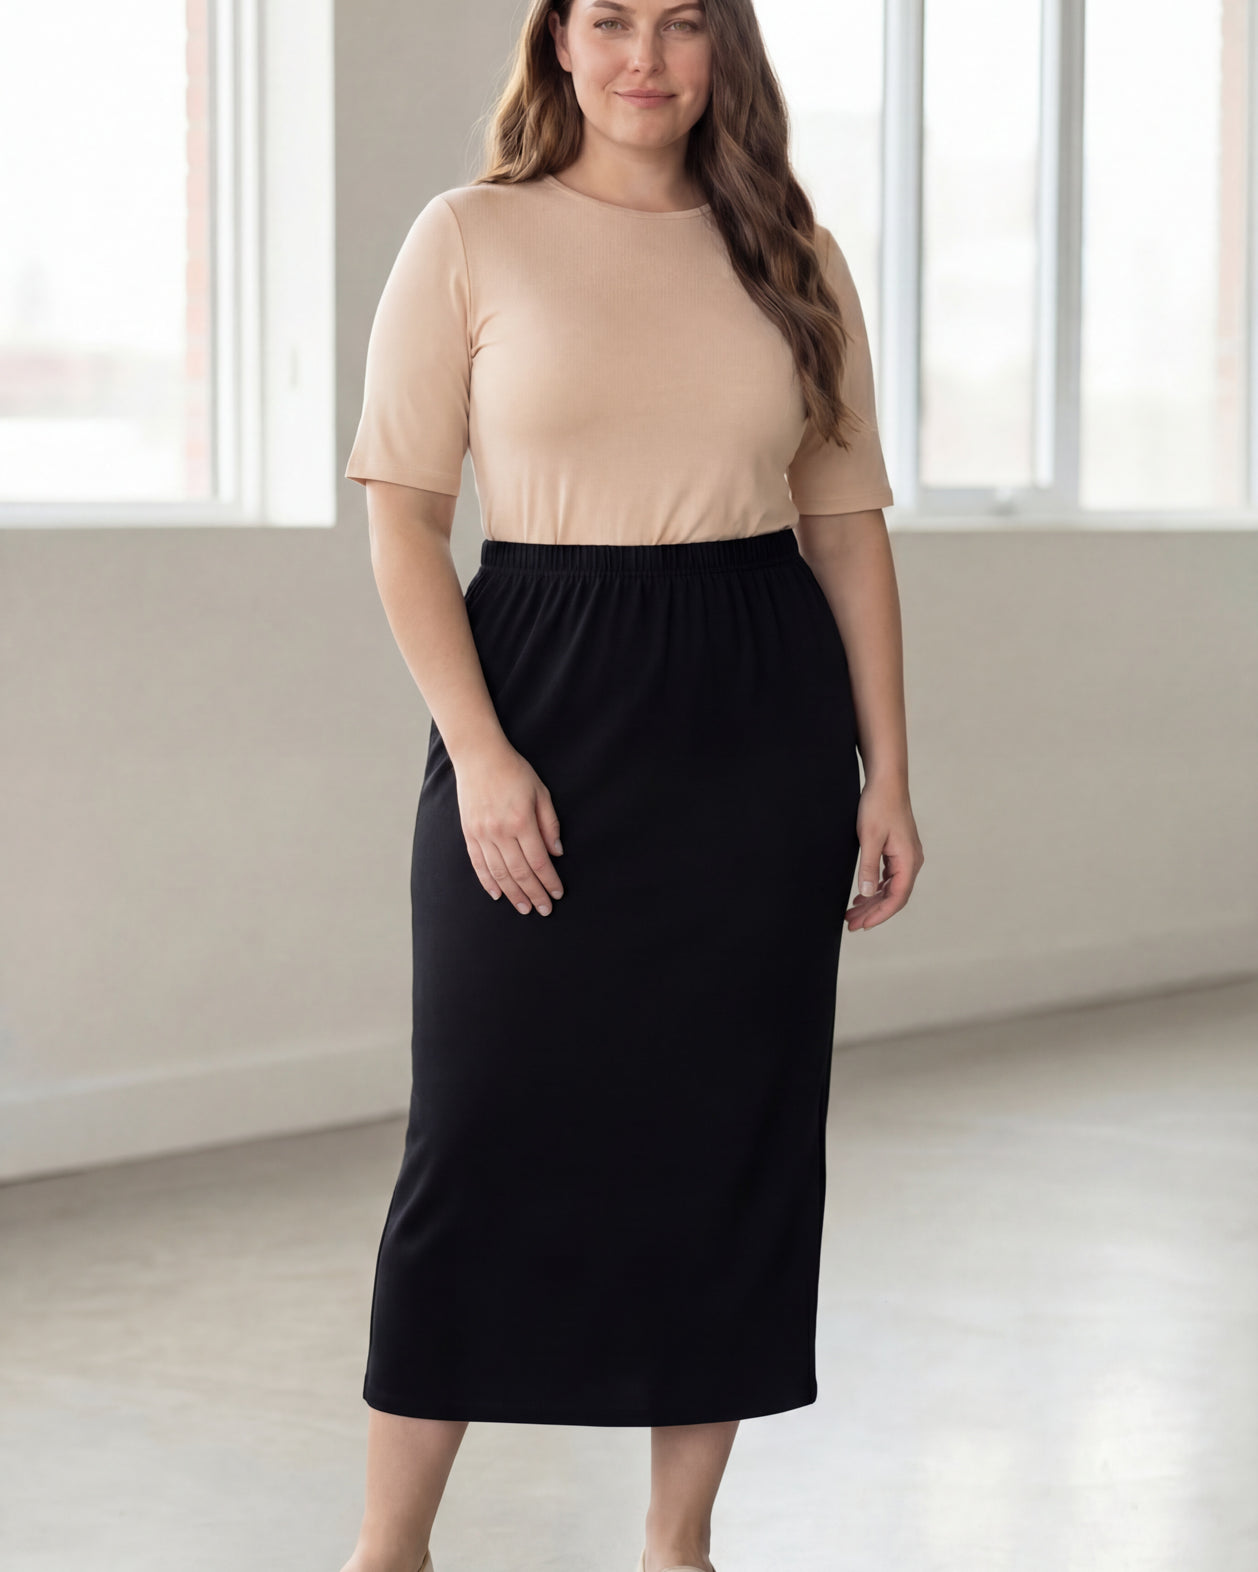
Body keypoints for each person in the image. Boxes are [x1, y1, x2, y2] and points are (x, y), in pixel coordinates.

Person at [339, 2, 925, 1570]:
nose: (643, 55)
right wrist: (480, 751)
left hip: (756, 717)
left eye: (681, 21)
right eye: (608, 17)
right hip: (535, 678)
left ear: (724, 48)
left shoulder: (789, 250)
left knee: (726, 1136)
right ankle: (388, 1547)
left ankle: (679, 1544)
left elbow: (846, 524)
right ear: (557, 43)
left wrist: (887, 774)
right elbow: (403, 518)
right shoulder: (469, 236)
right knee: (475, 1130)